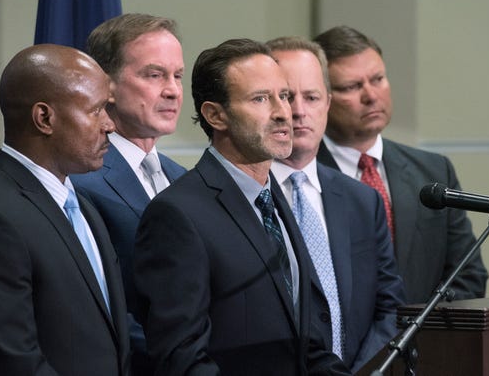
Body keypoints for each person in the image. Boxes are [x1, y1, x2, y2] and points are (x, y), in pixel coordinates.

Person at [132, 38, 351, 375]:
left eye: (284, 96)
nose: (284, 112)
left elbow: (303, 341)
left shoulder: (275, 197)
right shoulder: (178, 215)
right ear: (215, 115)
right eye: (261, 99)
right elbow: (183, 359)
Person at [0, 44, 129, 375]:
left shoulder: (83, 207)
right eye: (96, 110)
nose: (110, 125)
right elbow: (9, 360)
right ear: (44, 118)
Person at [314, 25, 488, 304]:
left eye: (378, 79)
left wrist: (414, 330)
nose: (371, 95)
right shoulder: (301, 176)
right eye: (352, 87)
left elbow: (468, 275)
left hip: (425, 341)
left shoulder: (433, 171)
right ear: (321, 97)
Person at [265, 36, 405, 372]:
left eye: (311, 97)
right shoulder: (243, 196)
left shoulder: (361, 199)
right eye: (285, 96)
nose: (298, 111)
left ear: (327, 102)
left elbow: (388, 306)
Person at [70, 13, 187, 373]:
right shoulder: (79, 181)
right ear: (106, 86)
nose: (173, 89)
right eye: (154, 75)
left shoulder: (182, 177)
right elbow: (98, 306)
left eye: (178, 76)